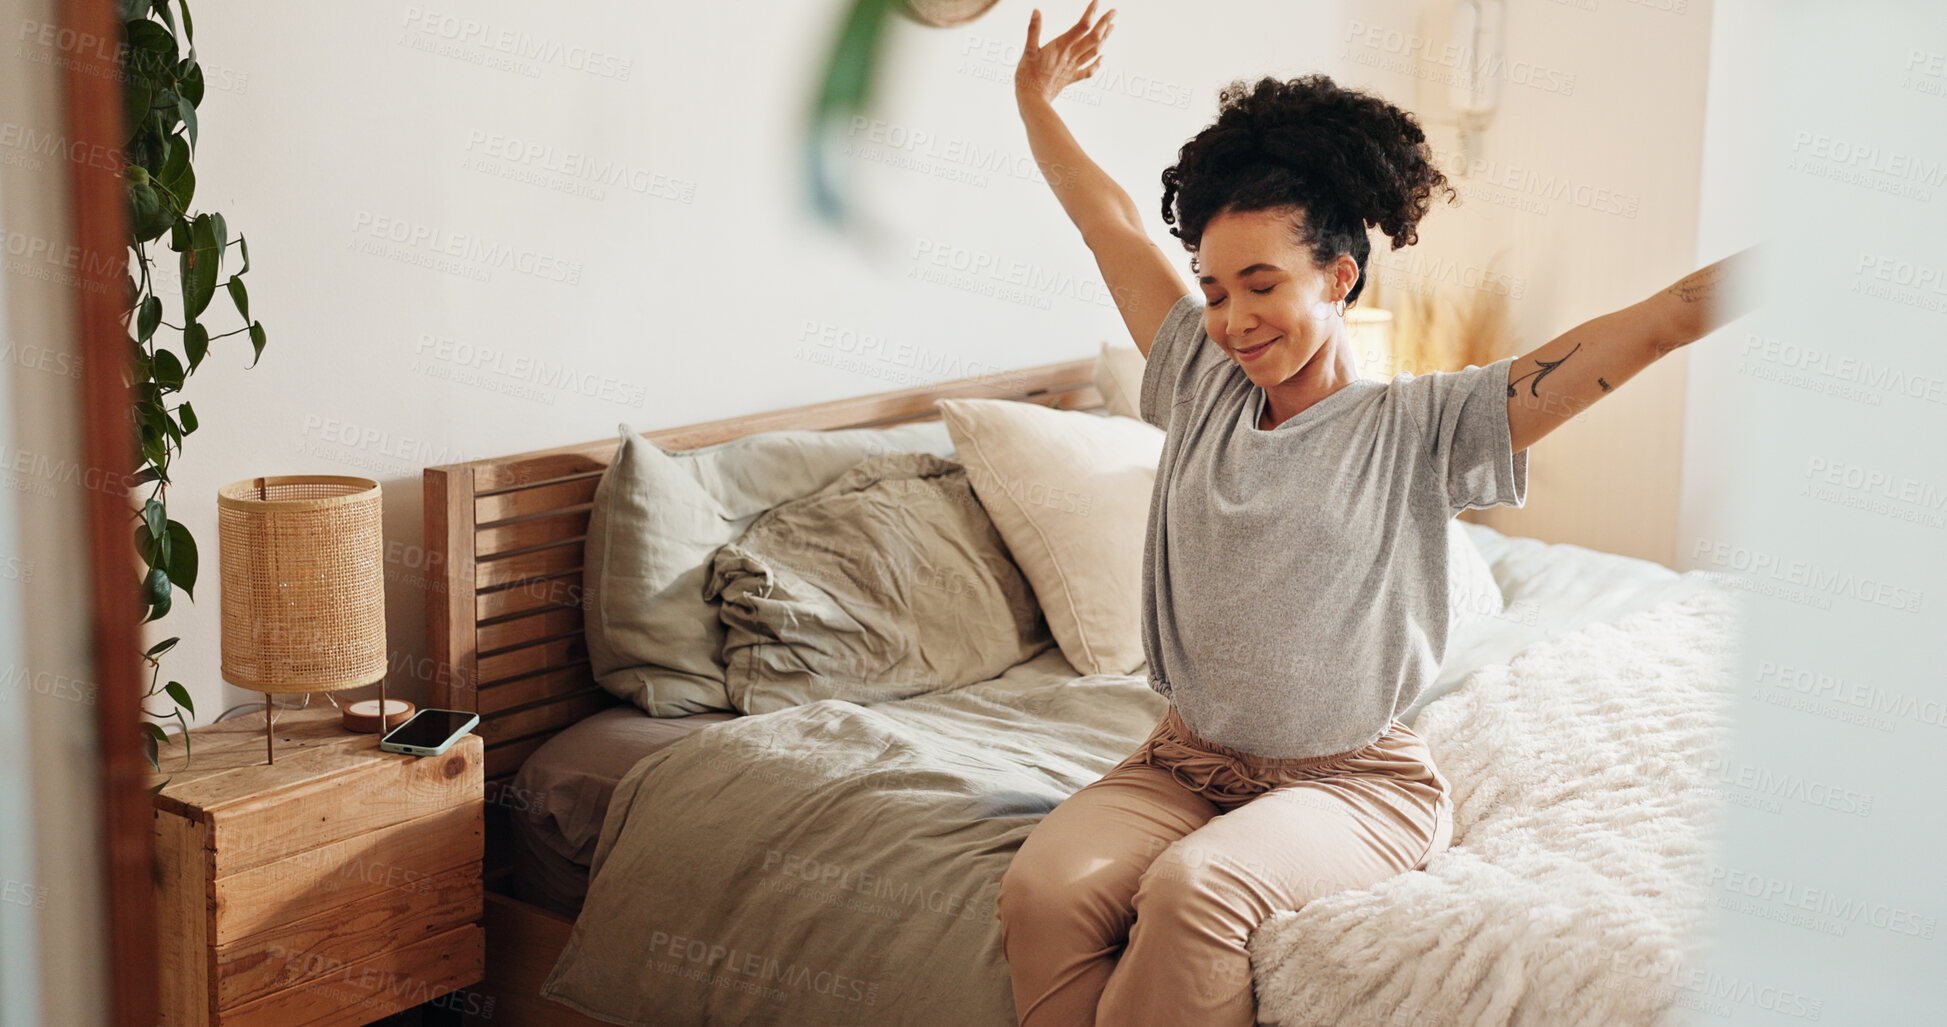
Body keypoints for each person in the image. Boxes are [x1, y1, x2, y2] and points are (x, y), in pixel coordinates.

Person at [992, 5, 1759, 1027]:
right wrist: (1032, 101)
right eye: (1215, 291)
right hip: (1183, 763)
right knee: (1039, 887)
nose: (1232, 320)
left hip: (1353, 786)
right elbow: (1110, 222)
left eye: (1261, 285)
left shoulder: (1427, 426)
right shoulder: (1197, 377)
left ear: (1339, 277)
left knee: (1194, 890)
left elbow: (1658, 323)